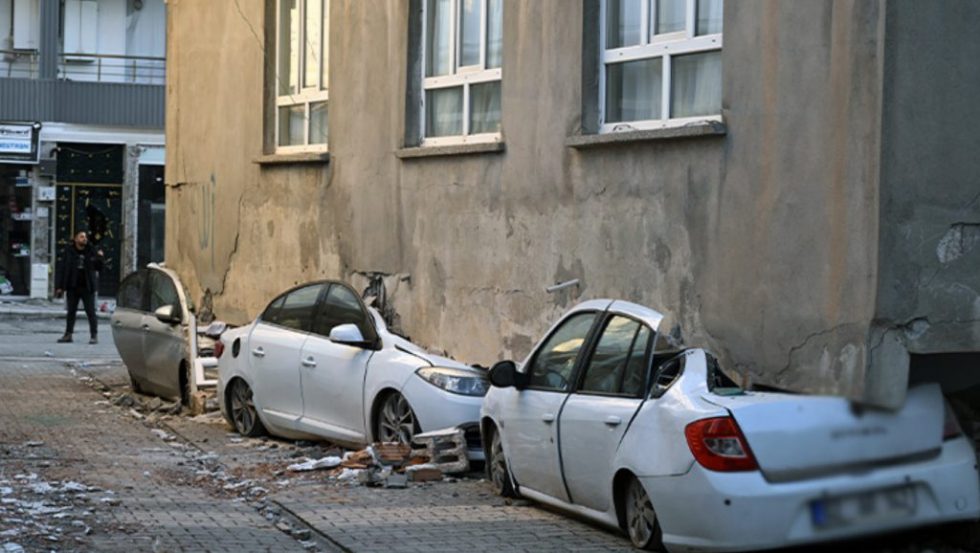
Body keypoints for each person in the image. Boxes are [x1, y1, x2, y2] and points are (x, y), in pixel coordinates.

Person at [55, 230, 105, 344]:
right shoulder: (69, 251)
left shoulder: (91, 250)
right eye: (81, 237)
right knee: (71, 312)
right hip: (72, 286)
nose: (84, 239)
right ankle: (68, 334)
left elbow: (99, 268)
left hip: (87, 286)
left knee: (90, 312)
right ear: (76, 239)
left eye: (85, 237)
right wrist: (60, 287)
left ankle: (94, 335)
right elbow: (62, 269)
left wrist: (100, 258)